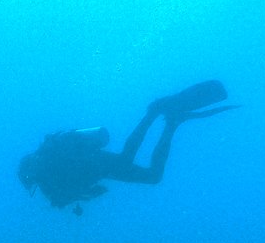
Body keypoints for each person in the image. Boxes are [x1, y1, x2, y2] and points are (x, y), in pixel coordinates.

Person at [18, 80, 235, 209]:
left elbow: (63, 193)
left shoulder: (47, 175)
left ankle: (158, 115)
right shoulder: (47, 176)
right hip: (97, 166)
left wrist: (83, 192)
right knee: (148, 173)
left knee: (138, 166)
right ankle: (169, 122)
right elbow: (69, 194)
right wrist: (87, 193)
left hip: (94, 164)